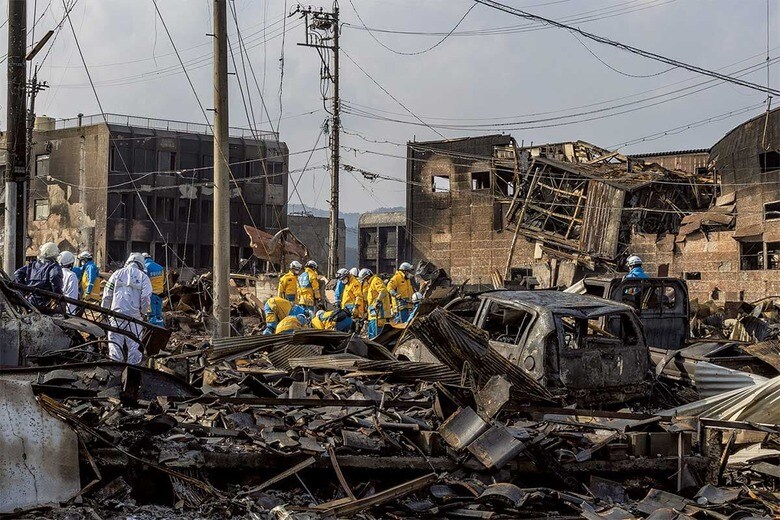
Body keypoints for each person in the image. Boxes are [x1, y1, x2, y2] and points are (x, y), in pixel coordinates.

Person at [101, 253, 153, 365]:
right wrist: (143, 312)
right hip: (134, 318)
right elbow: (145, 297)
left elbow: (107, 294)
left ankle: (115, 370)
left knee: (115, 345)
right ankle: (131, 373)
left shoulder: (116, 274)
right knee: (134, 347)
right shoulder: (144, 277)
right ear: (141, 265)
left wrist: (104, 310)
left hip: (116, 315)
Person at [14, 242, 64, 311]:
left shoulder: (32, 265)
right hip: (46, 303)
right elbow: (55, 276)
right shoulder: (53, 266)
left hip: (30, 301)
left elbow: (17, 273)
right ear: (55, 255)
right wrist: (57, 295)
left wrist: (24, 290)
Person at [360, 268, 391, 339]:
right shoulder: (370, 284)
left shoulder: (375, 280)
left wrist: (377, 301)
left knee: (377, 336)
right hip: (373, 315)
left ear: (368, 276)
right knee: (372, 336)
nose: (364, 280)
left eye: (365, 279)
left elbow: (383, 291)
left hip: (379, 315)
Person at [142, 253, 165, 327]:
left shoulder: (145, 267)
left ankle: (152, 331)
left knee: (151, 315)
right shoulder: (160, 267)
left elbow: (143, 281)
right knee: (159, 314)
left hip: (151, 295)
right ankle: (161, 329)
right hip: (160, 294)